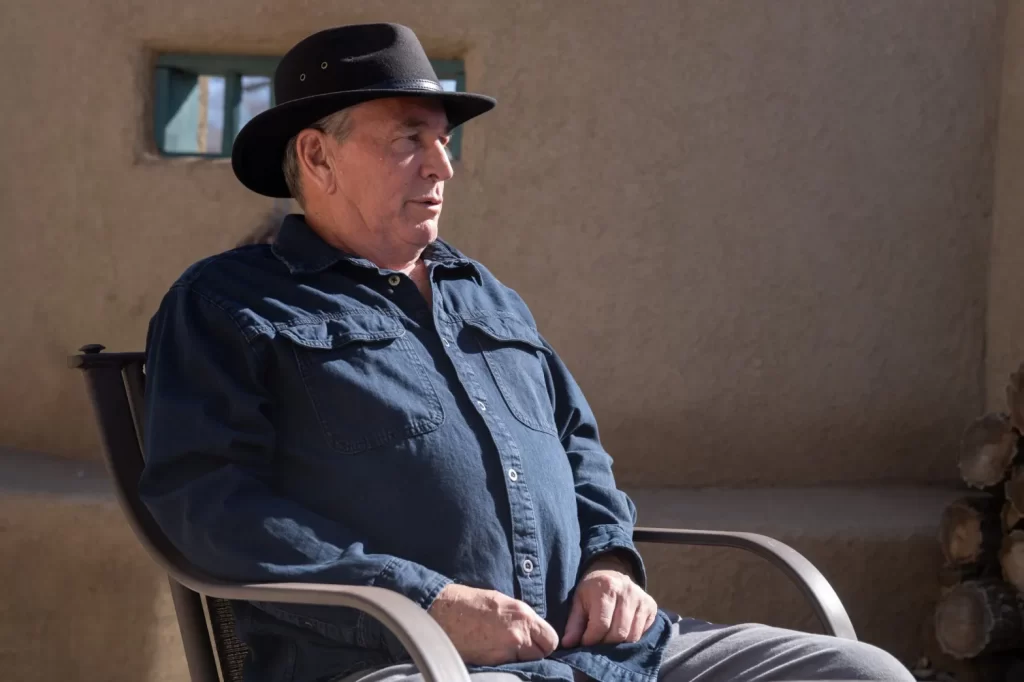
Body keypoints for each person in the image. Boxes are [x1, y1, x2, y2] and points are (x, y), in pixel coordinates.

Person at [140, 22, 915, 682]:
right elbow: (209, 504)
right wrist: (427, 602)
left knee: (863, 673)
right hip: (402, 657)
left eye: (443, 143)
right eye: (410, 140)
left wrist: (612, 562)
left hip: (603, 652)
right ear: (316, 157)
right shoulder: (229, 304)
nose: (443, 168)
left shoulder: (486, 294)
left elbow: (579, 448)